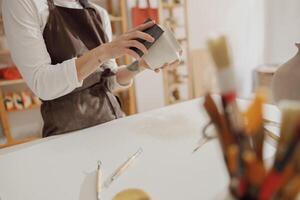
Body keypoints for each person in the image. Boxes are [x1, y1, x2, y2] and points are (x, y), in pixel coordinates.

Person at [2, 0, 178, 137]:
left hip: (112, 122)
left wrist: (141, 65)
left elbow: (109, 81)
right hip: (67, 136)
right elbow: (42, 84)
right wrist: (105, 51)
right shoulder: (23, 4)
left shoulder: (98, 13)